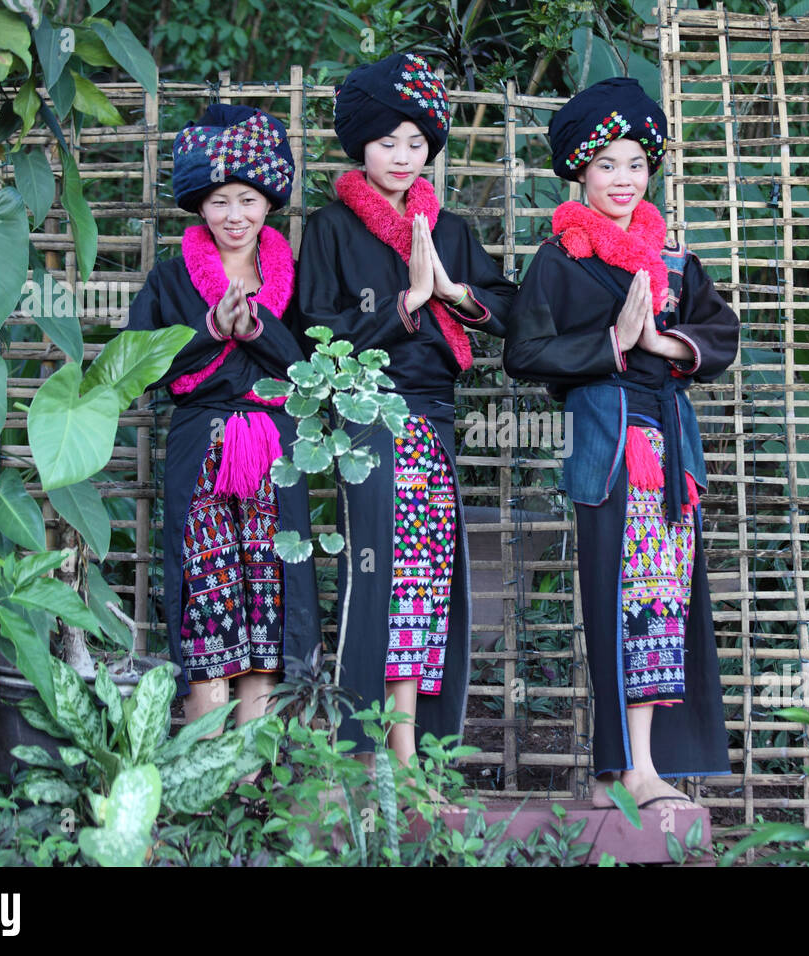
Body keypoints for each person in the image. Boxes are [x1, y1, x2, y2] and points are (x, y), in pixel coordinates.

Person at [503, 77, 740, 811]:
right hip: (609, 446)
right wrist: (613, 343)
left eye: (636, 163)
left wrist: (661, 340)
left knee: (662, 602)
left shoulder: (672, 258)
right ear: (579, 170)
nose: (623, 178)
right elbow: (525, 350)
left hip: (669, 450)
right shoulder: (560, 260)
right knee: (615, 602)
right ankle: (622, 768)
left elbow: (721, 334)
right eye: (606, 163)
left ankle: (637, 767)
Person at [294, 52, 515, 773]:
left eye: (416, 143)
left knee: (425, 575)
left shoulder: (446, 229)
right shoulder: (330, 228)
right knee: (378, 569)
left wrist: (449, 291)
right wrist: (404, 307)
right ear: (360, 143)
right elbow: (310, 331)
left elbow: (505, 307)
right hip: (368, 415)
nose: (402, 156)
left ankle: (410, 751)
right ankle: (362, 752)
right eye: (387, 141)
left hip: (434, 418)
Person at [127, 104, 320, 731]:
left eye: (247, 199)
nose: (234, 216)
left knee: (268, 594)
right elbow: (142, 362)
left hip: (274, 446)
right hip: (200, 445)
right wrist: (212, 329)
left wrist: (257, 330)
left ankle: (251, 766)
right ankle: (208, 766)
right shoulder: (169, 278)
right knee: (205, 594)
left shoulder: (298, 279)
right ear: (198, 207)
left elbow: (313, 366)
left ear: (269, 200)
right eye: (217, 202)